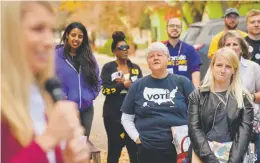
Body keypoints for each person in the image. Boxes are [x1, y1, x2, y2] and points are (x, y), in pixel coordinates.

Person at [1, 1, 91, 163]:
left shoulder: (40, 96)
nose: (49, 41)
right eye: (38, 29)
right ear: (8, 34)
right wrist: (49, 138)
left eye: (51, 30)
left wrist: (67, 158)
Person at [121, 42, 195, 163]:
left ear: (168, 59)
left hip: (180, 148)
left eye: (159, 55)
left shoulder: (182, 82)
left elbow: (197, 112)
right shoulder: (138, 85)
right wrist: (136, 137)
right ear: (148, 62)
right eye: (151, 56)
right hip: (148, 149)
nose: (155, 57)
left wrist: (192, 137)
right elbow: (126, 117)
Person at [189, 47, 254, 162]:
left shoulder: (244, 98)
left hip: (234, 155)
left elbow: (244, 134)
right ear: (212, 67)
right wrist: (211, 160)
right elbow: (195, 130)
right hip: (203, 155)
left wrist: (233, 161)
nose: (223, 70)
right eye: (219, 65)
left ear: (234, 70)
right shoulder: (197, 96)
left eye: (228, 66)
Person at [218, 30, 260, 163]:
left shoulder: (253, 67)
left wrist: (249, 97)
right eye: (227, 44)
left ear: (242, 48)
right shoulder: (216, 68)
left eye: (235, 44)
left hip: (251, 126)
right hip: (223, 128)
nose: (231, 47)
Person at [101, 31, 142, 163]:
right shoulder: (108, 68)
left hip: (132, 116)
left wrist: (132, 86)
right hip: (113, 116)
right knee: (114, 151)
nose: (125, 50)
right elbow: (105, 90)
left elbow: (141, 91)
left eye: (126, 47)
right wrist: (122, 86)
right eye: (121, 48)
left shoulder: (135, 68)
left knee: (134, 151)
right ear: (114, 51)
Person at [55, 22, 101, 137]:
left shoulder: (89, 57)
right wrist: (61, 96)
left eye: (80, 36)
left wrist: (91, 96)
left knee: (83, 145)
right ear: (67, 35)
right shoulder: (55, 56)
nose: (76, 39)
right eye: (73, 35)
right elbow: (49, 80)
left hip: (86, 110)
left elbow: (97, 80)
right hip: (66, 111)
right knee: (66, 148)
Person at [165, 17, 201, 88]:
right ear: (166, 28)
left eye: (178, 26)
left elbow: (195, 72)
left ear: (181, 30)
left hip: (185, 92)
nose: (175, 28)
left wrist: (196, 93)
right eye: (172, 25)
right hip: (165, 92)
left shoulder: (190, 50)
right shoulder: (161, 50)